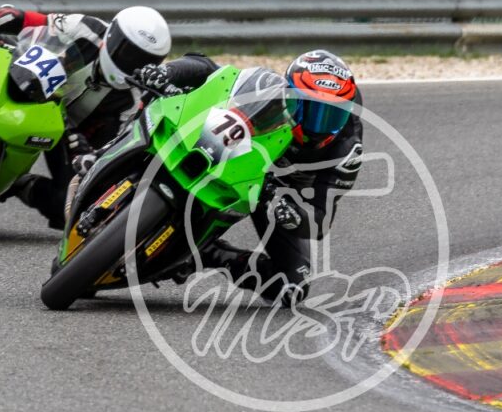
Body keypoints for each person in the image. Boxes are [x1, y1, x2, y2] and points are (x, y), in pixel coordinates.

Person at [0, 5, 172, 229]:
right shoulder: (87, 28)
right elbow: (30, 20)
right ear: (112, 37)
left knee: (69, 208)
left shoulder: (132, 98)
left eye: (144, 61)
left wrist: (89, 156)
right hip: (29, 77)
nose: (132, 65)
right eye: (128, 53)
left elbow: (112, 143)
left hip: (63, 131)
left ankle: (16, 184)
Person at [135, 49, 363, 304]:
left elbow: (320, 220)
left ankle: (207, 253)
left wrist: (294, 214)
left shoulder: (347, 151)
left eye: (333, 115)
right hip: (235, 151)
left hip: (276, 193)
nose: (319, 127)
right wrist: (168, 72)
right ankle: (117, 149)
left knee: (292, 286)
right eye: (314, 111)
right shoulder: (270, 89)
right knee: (157, 96)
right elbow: (211, 69)